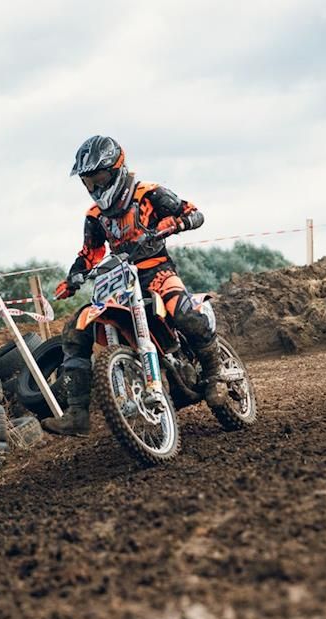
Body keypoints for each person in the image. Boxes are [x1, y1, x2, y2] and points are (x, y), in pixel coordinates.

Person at [41, 135, 226, 436]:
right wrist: (74, 276)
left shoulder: (149, 194)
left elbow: (194, 213)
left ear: (117, 169)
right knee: (75, 328)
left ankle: (215, 376)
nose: (95, 187)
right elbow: (90, 253)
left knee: (182, 311)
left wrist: (173, 224)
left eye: (100, 178)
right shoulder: (95, 216)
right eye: (89, 181)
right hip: (119, 279)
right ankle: (77, 413)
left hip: (157, 270)